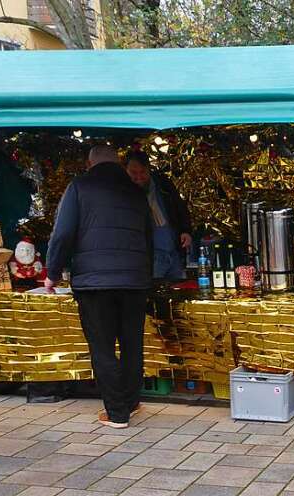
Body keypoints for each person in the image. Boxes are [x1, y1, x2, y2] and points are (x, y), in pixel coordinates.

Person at [45, 145, 154, 429]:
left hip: (94, 283)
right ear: (118, 163)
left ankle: (117, 413)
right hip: (134, 281)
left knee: (103, 346)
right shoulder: (136, 191)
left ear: (89, 163)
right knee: (133, 344)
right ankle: (131, 402)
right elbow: (149, 237)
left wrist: (52, 273)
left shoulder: (79, 187)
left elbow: (63, 233)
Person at [124, 150, 192, 280]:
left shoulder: (162, 184)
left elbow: (180, 207)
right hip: (149, 257)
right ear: (125, 170)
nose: (139, 177)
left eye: (143, 172)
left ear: (149, 170)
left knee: (179, 292)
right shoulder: (123, 192)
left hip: (174, 252)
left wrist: (185, 231)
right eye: (133, 173)